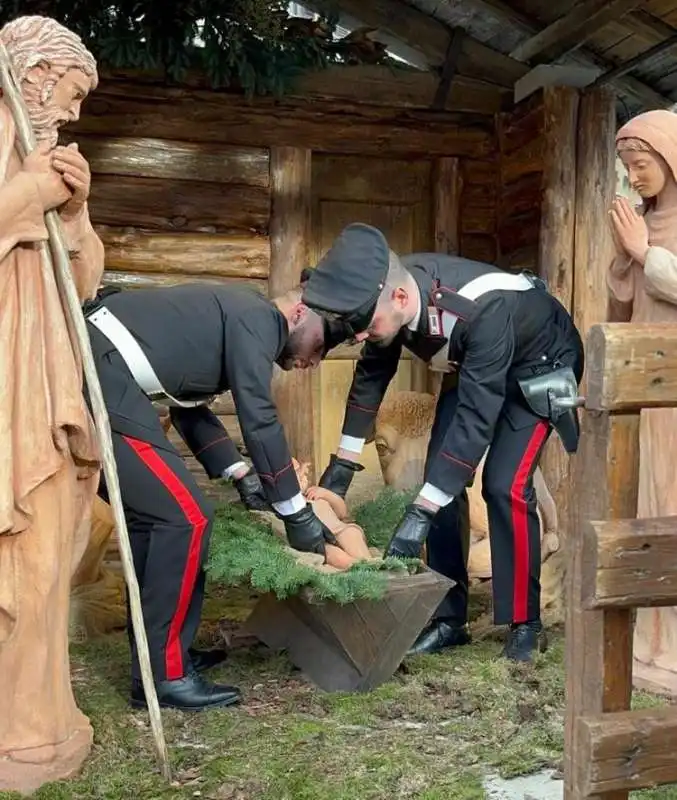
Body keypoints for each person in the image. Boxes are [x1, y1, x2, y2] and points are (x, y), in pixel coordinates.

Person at [302, 223, 584, 662]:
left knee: (503, 485)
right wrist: (342, 466)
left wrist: (419, 514)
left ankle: (525, 623)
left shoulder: (479, 310)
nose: (360, 336)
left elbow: (475, 418)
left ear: (399, 299)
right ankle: (449, 619)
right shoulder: (385, 300)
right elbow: (371, 377)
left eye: (365, 325)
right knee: (439, 483)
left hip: (539, 366)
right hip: (477, 367)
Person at [84, 281, 346, 711]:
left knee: (157, 524)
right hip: (99, 372)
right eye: (322, 344)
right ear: (300, 311)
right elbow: (258, 417)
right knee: (184, 520)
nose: (314, 362)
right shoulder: (259, 317)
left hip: (107, 372)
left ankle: (162, 657)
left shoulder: (238, 316)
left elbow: (188, 407)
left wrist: (240, 472)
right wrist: (294, 511)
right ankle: (166, 677)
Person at [0, 15, 104, 791]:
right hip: (4, 389)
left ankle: (39, 720)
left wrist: (72, 214)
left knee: (45, 556)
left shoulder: (41, 157)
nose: (70, 115)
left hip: (44, 390)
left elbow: (85, 285)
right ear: (34, 76)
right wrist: (22, 197)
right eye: (68, 96)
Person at [608, 109, 677, 695]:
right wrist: (625, 256)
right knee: (650, 505)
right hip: (649, 391)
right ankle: (654, 642)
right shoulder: (643, 221)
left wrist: (646, 254)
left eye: (643, 163)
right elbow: (623, 307)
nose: (634, 176)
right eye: (628, 166)